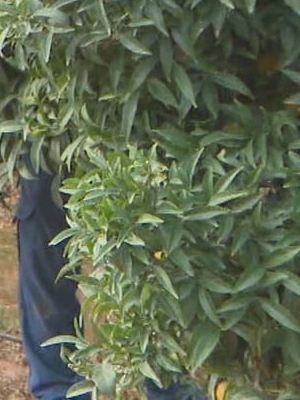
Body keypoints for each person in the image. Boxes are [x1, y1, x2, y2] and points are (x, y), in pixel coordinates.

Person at [16, 158, 203, 400]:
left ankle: (172, 386)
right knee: (42, 222)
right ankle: (60, 391)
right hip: (46, 148)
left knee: (155, 223)